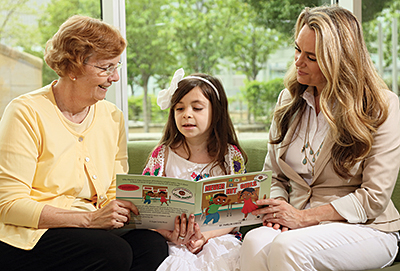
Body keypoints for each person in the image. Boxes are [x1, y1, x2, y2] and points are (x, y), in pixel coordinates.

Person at [0, 15, 168, 271]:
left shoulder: (112, 117)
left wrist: (141, 215)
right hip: (29, 234)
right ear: (72, 67)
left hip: (92, 228)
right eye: (105, 68)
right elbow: (9, 205)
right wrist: (89, 219)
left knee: (152, 244)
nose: (115, 78)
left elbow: (114, 188)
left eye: (116, 66)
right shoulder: (25, 112)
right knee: (112, 252)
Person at [240, 5, 400, 271]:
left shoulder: (382, 106)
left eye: (311, 57)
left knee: (287, 247)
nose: (298, 61)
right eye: (297, 49)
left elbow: (374, 197)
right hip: (297, 221)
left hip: (367, 228)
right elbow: (274, 175)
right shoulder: (288, 100)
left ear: (339, 60)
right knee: (255, 241)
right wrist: (280, 207)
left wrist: (303, 218)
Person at [142, 68, 247, 271]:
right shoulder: (162, 155)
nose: (186, 115)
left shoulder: (230, 156)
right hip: (172, 241)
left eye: (197, 108)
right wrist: (171, 234)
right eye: (179, 109)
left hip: (217, 238)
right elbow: (146, 209)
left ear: (216, 112)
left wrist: (204, 237)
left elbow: (238, 212)